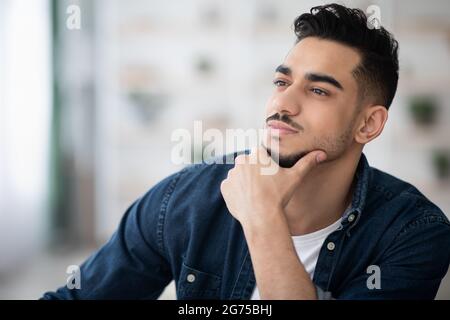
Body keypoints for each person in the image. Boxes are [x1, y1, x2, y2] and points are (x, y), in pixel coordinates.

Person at [42, 3, 450, 300]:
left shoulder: (414, 233)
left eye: (318, 90)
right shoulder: (184, 199)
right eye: (281, 82)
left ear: (368, 124)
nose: (282, 105)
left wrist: (262, 217)